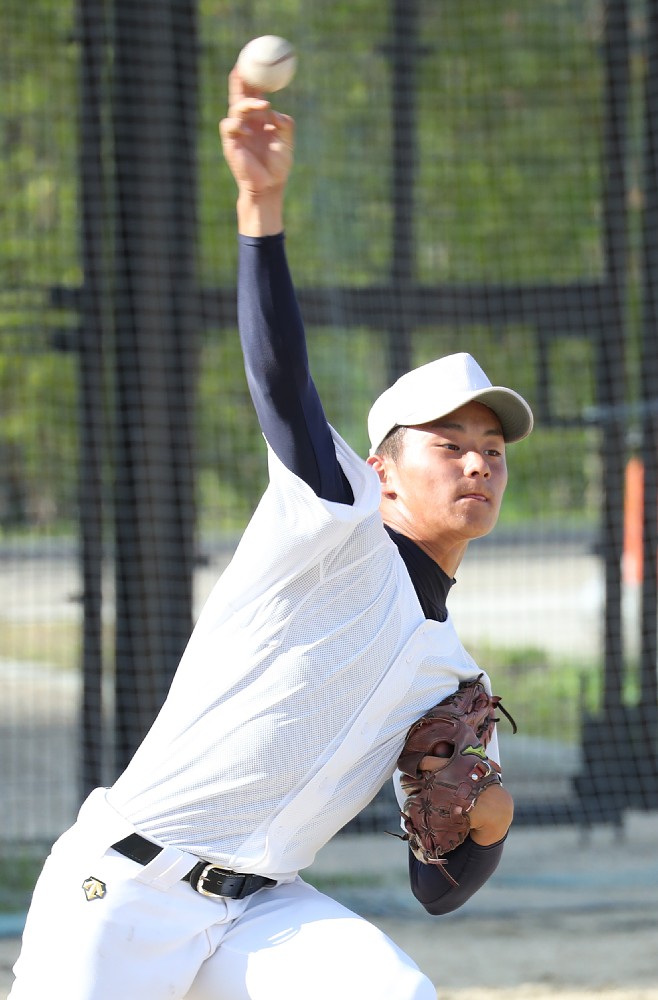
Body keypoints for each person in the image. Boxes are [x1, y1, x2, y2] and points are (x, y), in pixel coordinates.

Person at [9, 71, 533, 1000]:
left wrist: (486, 820)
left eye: (491, 448)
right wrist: (261, 206)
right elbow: (283, 384)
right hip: (124, 890)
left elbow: (436, 888)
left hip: (262, 913)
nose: (476, 464)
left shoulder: (454, 676)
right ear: (380, 469)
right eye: (448, 444)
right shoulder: (334, 530)